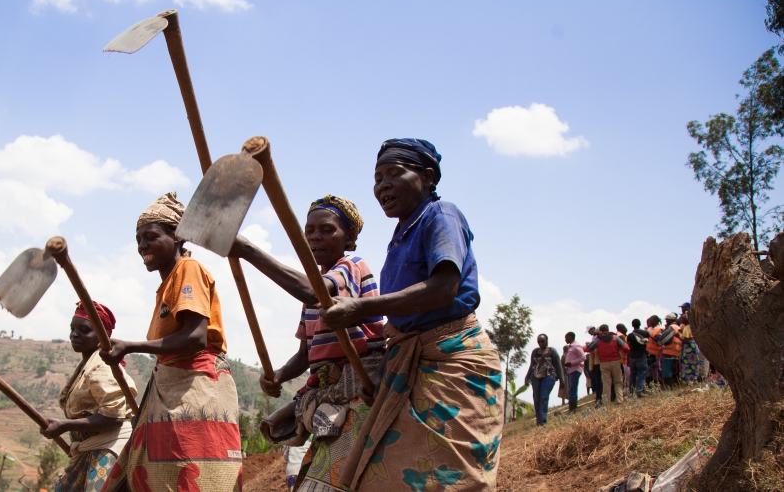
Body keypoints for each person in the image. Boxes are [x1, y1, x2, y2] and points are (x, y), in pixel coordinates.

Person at [320, 139, 503, 490]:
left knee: (448, 478)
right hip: (410, 362)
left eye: (394, 173)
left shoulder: (442, 215)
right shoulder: (401, 236)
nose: (382, 185)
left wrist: (363, 307)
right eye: (377, 178)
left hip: (450, 361)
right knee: (386, 475)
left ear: (428, 176)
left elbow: (444, 288)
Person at [230, 194, 386, 491]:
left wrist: (248, 250)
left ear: (349, 238)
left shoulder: (350, 266)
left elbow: (314, 292)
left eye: (327, 230)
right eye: (309, 230)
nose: (315, 237)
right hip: (329, 392)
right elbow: (305, 355)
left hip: (359, 386)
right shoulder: (314, 293)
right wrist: (278, 375)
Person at [101, 192, 242, 492]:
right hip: (170, 386)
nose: (142, 246)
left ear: (177, 235)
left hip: (195, 387)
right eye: (138, 240)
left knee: (187, 471)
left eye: (150, 237)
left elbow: (194, 338)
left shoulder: (188, 270)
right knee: (142, 472)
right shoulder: (165, 285)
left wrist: (132, 346)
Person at [41, 301, 136, 492]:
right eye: (73, 329)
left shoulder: (102, 366)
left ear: (101, 336)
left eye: (84, 330)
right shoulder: (88, 365)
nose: (74, 334)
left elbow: (114, 417)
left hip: (109, 447)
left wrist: (65, 425)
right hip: (90, 450)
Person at [524, 334, 566, 426]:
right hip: (536, 376)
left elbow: (558, 366)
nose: (540, 343)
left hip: (549, 375)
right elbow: (532, 365)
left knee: (544, 396)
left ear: (546, 341)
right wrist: (527, 377)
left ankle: (543, 420)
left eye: (542, 341)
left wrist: (561, 380)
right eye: (539, 341)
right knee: (536, 397)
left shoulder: (552, 351)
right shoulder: (535, 351)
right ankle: (538, 420)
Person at [586, 325, 628, 406]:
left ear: (601, 331)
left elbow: (589, 348)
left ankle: (606, 402)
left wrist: (585, 346)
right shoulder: (615, 338)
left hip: (604, 363)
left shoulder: (598, 339)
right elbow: (626, 348)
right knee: (618, 382)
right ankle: (619, 400)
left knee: (606, 383)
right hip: (616, 361)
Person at [679, 309, 706, 384]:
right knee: (693, 363)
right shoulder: (691, 327)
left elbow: (686, 340)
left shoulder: (687, 328)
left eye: (682, 318)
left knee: (688, 363)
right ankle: (693, 379)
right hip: (694, 347)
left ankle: (689, 380)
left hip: (689, 348)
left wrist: (678, 337)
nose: (681, 319)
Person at [625, 319, 651, 398]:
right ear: (640, 324)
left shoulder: (630, 336)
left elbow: (629, 347)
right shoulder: (646, 333)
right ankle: (639, 392)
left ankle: (631, 392)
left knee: (633, 374)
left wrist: (628, 359)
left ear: (632, 325)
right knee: (641, 374)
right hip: (642, 356)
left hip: (633, 356)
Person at [657, 313, 682, 388]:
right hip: (676, 352)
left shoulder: (672, 327)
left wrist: (659, 336)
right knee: (672, 371)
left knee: (666, 371)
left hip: (669, 352)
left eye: (667, 320)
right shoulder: (678, 327)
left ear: (670, 320)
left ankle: (669, 386)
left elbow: (662, 340)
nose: (666, 321)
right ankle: (672, 385)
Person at [563, 332, 585, 413]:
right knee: (570, 390)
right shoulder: (570, 346)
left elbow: (583, 357)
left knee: (573, 390)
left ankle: (573, 409)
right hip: (570, 371)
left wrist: (572, 363)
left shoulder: (576, 346)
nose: (565, 339)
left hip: (575, 370)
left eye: (566, 337)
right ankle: (571, 408)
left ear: (570, 337)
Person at [585, 326, 603, 403]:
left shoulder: (596, 338)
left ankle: (599, 398)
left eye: (589, 331)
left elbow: (592, 353)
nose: (589, 333)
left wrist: (591, 367)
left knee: (600, 382)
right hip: (599, 362)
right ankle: (599, 398)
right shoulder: (596, 338)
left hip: (598, 362)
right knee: (599, 382)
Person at [645, 315, 664, 389]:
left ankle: (655, 386)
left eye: (651, 320)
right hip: (648, 352)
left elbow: (659, 341)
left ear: (656, 321)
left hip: (655, 354)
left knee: (655, 371)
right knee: (648, 371)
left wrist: (650, 336)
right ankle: (649, 386)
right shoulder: (649, 329)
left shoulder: (659, 329)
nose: (650, 322)